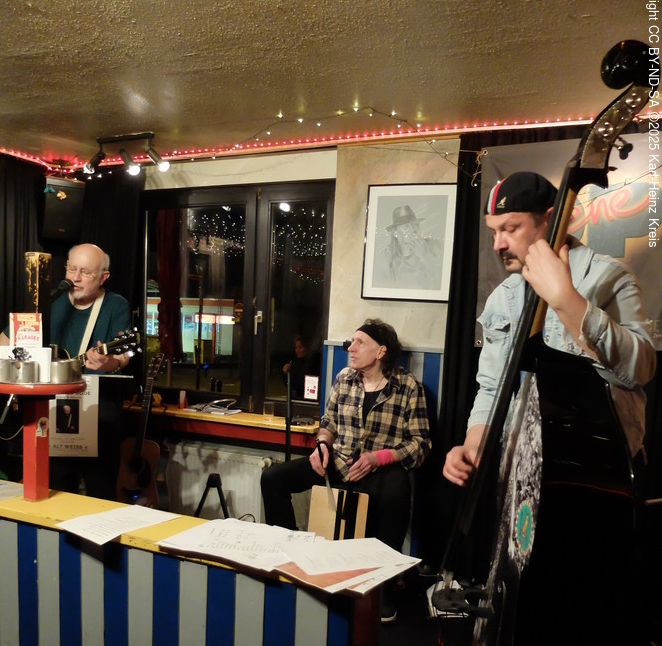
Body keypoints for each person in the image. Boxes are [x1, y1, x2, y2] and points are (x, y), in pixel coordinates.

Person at [443, 171, 657, 488]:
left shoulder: (610, 277)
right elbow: (492, 387)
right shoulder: (503, 297)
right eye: (493, 232)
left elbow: (639, 371)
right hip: (525, 472)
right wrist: (473, 444)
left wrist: (566, 300)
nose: (498, 244)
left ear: (550, 219)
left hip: (600, 470)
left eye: (510, 229)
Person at [261, 318, 431, 621]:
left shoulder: (408, 386)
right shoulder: (344, 378)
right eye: (351, 342)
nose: (350, 348)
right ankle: (292, 560)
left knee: (397, 491)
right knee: (273, 477)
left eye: (359, 343)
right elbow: (328, 423)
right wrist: (322, 445)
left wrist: (379, 458)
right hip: (338, 461)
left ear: (381, 351)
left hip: (379, 470)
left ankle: (383, 588)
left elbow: (420, 444)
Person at [0, 242, 133, 498]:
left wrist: (109, 362)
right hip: (51, 414)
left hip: (99, 417)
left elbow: (123, 355)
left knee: (101, 494)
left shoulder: (116, 305)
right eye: (72, 269)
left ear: (103, 277)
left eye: (85, 272)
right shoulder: (49, 302)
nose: (75, 278)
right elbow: (3, 344)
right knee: (56, 493)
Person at [382, 204, 443, 288]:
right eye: (406, 227)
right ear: (395, 233)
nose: (413, 230)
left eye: (415, 225)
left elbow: (443, 278)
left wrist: (425, 256)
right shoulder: (388, 256)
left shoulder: (435, 246)